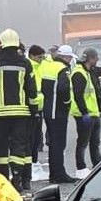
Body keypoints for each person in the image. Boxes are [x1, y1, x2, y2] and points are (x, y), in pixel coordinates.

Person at [0, 29, 42, 192]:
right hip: (21, 114)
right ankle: (18, 177)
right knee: (20, 147)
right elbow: (31, 89)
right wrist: (34, 110)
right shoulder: (25, 63)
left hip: (0, 114)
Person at [41, 45, 75, 183]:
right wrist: (67, 103)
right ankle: (59, 174)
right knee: (59, 144)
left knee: (53, 143)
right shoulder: (63, 69)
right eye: (70, 57)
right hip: (58, 110)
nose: (71, 60)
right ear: (66, 57)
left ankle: (54, 174)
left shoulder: (48, 66)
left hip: (48, 109)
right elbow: (64, 88)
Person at [69, 47, 101, 172]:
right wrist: (84, 113)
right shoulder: (79, 73)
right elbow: (78, 95)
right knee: (83, 142)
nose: (97, 60)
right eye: (96, 57)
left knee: (95, 142)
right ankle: (81, 168)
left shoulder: (87, 72)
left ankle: (97, 165)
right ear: (90, 59)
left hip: (93, 113)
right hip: (85, 114)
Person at [25, 44, 47, 164]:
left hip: (39, 104)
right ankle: (32, 163)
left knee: (37, 136)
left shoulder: (40, 65)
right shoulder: (30, 66)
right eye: (39, 57)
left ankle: (34, 162)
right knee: (32, 137)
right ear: (32, 56)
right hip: (31, 105)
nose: (41, 59)